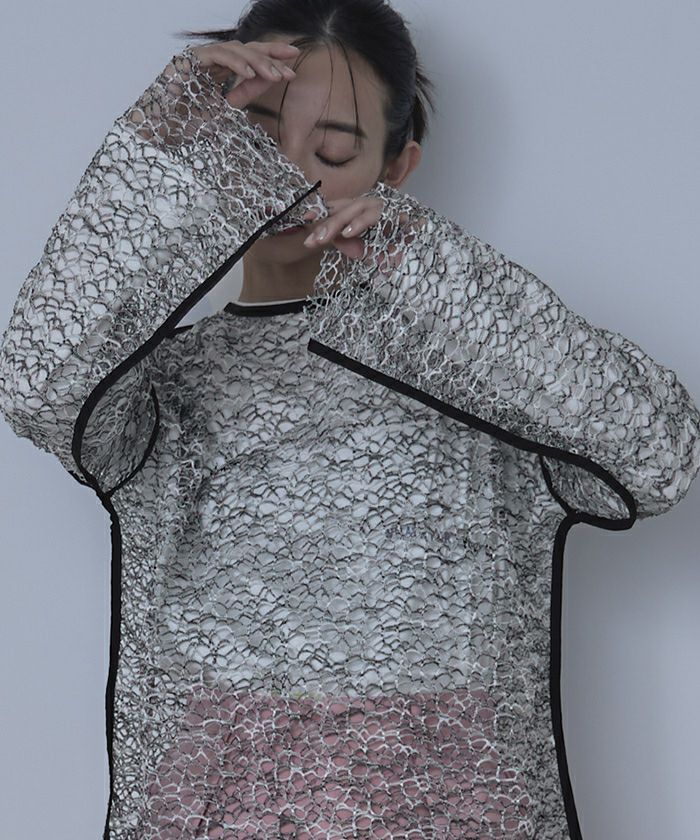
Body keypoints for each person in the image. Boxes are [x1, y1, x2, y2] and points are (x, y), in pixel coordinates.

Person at [1, 1, 699, 838]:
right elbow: (34, 382)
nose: (288, 176)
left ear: (396, 167)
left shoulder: (488, 366)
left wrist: (434, 270)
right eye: (255, 134)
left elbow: (660, 455)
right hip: (216, 808)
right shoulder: (156, 389)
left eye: (332, 151)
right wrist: (159, 145)